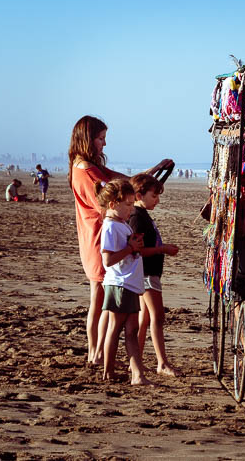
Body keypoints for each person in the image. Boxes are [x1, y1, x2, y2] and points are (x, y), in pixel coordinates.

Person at [68, 114, 173, 364]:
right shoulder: (86, 171)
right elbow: (112, 193)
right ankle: (97, 351)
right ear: (88, 139)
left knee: (100, 294)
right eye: (101, 139)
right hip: (100, 237)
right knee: (102, 295)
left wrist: (151, 171)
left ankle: (98, 351)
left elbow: (122, 179)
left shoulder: (89, 167)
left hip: (95, 235)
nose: (104, 144)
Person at [96, 179, 149, 384]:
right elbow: (107, 259)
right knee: (116, 328)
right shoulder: (110, 226)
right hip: (121, 283)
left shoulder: (120, 224)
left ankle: (137, 374)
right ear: (112, 204)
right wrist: (130, 249)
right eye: (127, 205)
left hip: (128, 283)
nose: (131, 209)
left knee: (130, 331)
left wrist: (133, 245)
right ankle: (109, 372)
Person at [129, 174, 180, 376]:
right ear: (139, 195)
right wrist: (162, 249)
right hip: (147, 274)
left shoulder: (141, 215)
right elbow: (138, 251)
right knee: (158, 317)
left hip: (148, 273)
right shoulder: (137, 218)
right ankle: (162, 363)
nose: (157, 200)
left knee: (145, 319)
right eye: (154, 195)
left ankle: (137, 361)